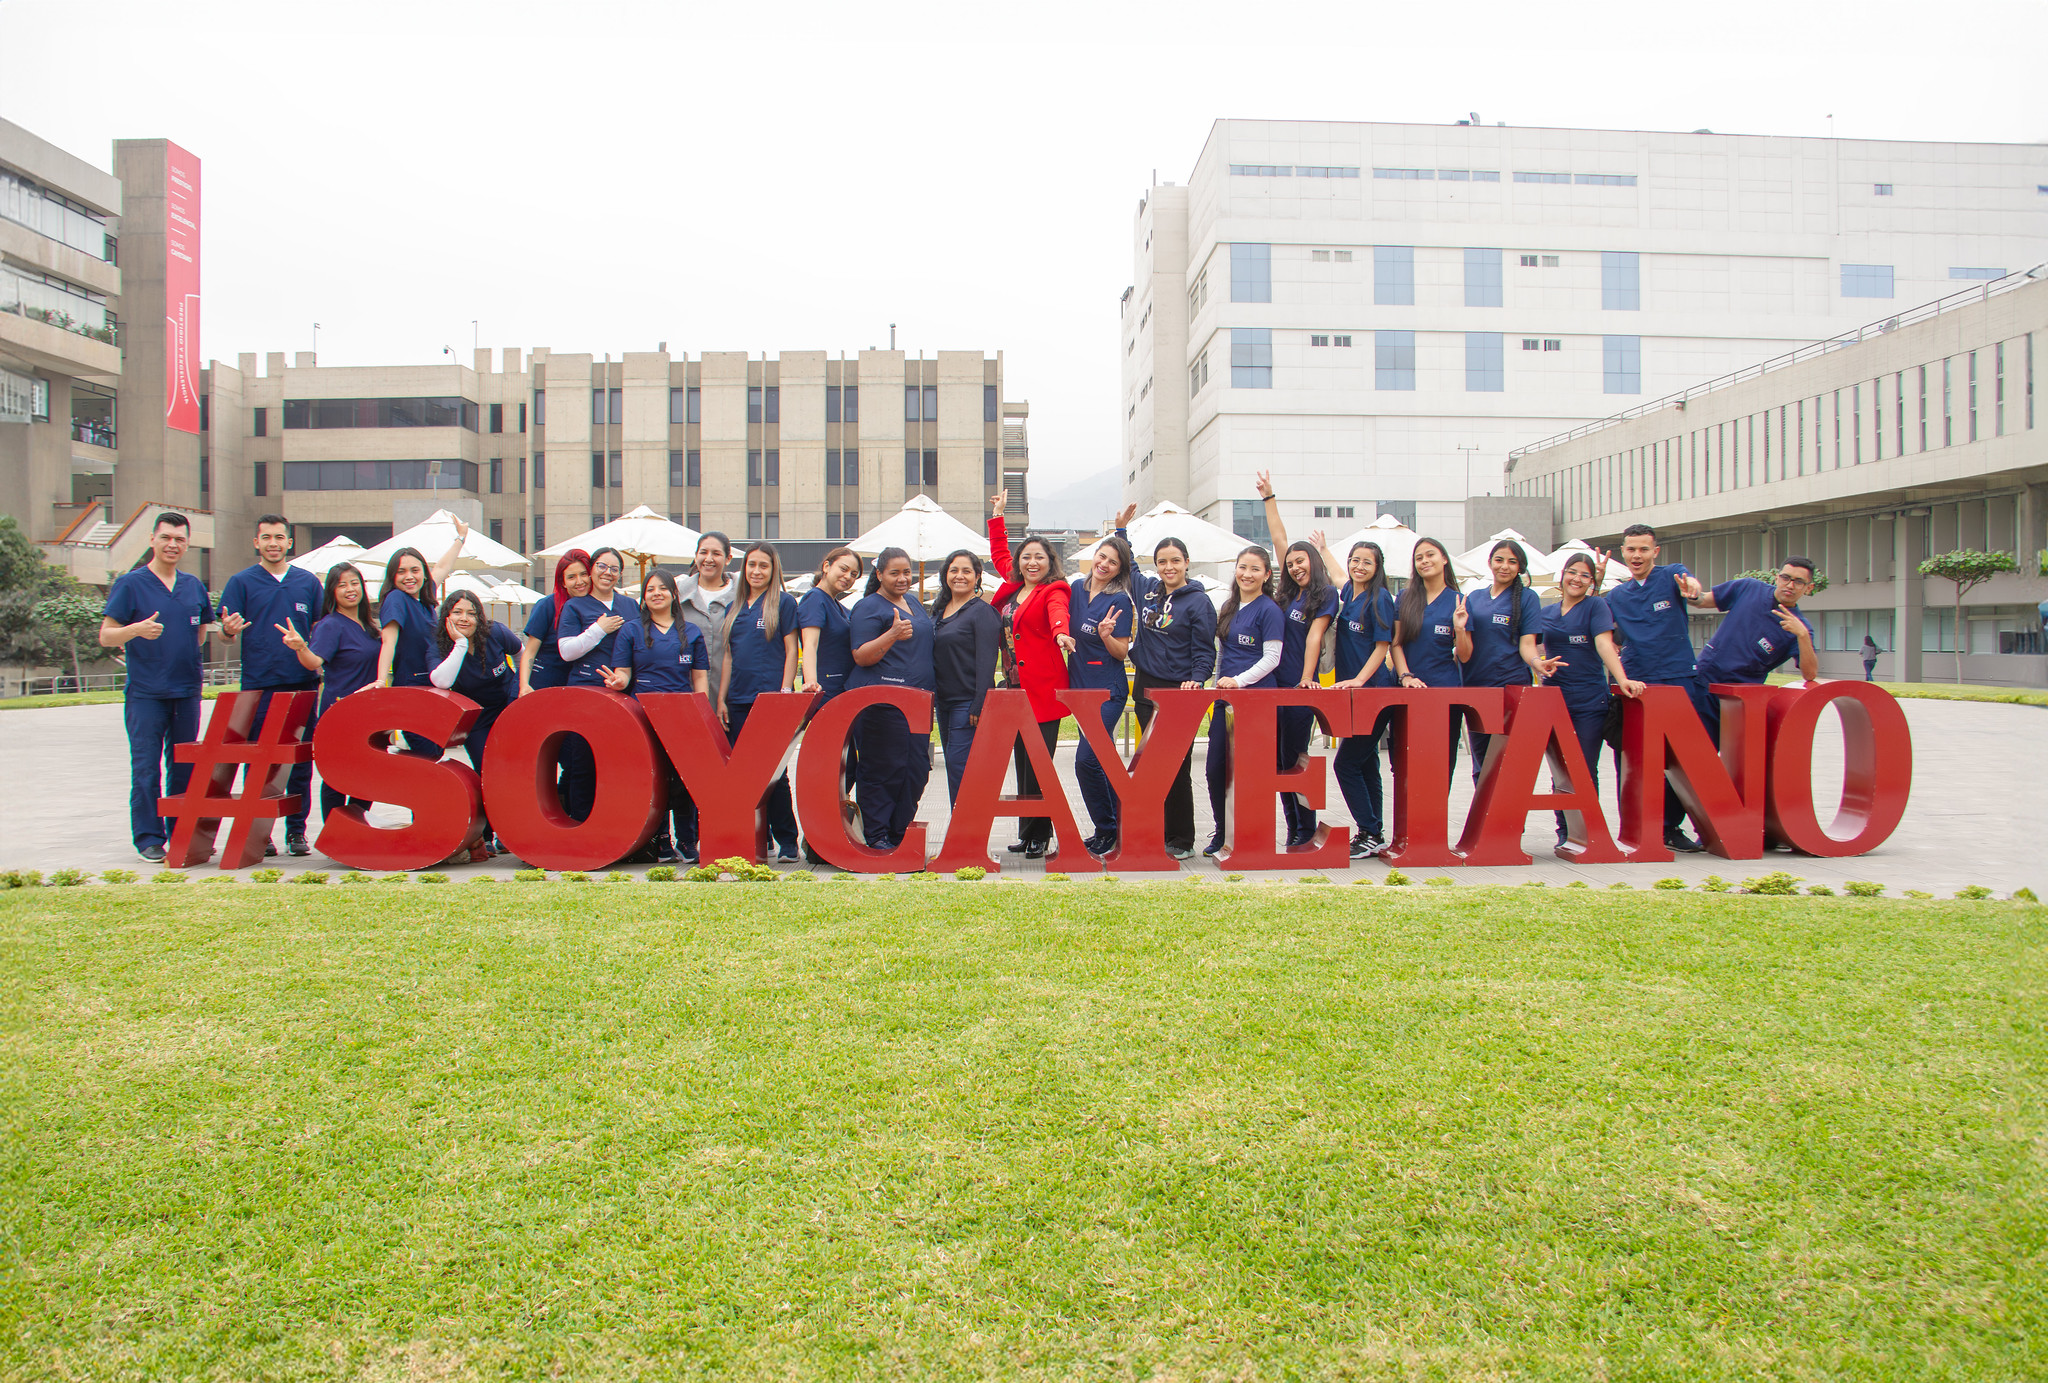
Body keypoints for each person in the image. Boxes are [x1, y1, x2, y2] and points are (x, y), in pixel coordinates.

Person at [99, 513, 216, 862]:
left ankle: (181, 833)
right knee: (147, 767)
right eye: (166, 537)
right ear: (152, 540)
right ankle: (149, 838)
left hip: (186, 691)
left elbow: (201, 630)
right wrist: (135, 630)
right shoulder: (131, 584)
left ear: (187, 544)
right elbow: (106, 635)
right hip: (146, 694)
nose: (172, 545)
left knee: (183, 767)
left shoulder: (193, 585)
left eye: (179, 539)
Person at [215, 514, 326, 855]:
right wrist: (228, 631)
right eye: (266, 537)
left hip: (303, 685)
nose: (273, 543)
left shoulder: (308, 583)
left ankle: (297, 832)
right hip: (259, 687)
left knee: (299, 762)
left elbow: (322, 630)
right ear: (256, 542)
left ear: (290, 542)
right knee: (259, 762)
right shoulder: (241, 583)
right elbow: (224, 636)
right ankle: (260, 833)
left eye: (280, 537)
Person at [1598, 523, 1708, 852]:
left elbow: (1692, 585)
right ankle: (1635, 827)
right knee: (1631, 759)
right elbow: (1602, 632)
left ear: (1655, 552)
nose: (1637, 555)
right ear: (1623, 552)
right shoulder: (1616, 595)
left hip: (1677, 679)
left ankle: (1669, 827)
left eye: (1644, 549)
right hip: (1636, 685)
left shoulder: (1671, 576)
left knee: (1678, 759)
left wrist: (1694, 590)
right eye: (1631, 549)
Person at [988, 488, 1074, 859]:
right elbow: (998, 554)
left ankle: (1042, 835)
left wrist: (1060, 633)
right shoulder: (1011, 589)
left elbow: (1058, 612)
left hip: (1042, 691)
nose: (1032, 562)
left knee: (1041, 766)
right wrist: (998, 517)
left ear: (1048, 561)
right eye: (1026, 557)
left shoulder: (1054, 588)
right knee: (1022, 763)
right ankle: (1027, 832)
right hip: (1013, 690)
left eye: (1039, 557)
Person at [1254, 476, 1340, 847]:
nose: (1293, 566)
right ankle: (1294, 828)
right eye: (1289, 563)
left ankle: (1305, 828)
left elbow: (1315, 638)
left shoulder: (1324, 595)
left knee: (1295, 761)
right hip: (1273, 687)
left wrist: (1305, 680)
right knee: (1277, 763)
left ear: (1314, 561)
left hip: (1296, 689)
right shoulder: (1287, 593)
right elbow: (1278, 540)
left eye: (1300, 560)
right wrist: (1268, 499)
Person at [601, 569, 709, 862]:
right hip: (644, 715)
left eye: (663, 588)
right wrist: (619, 683)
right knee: (655, 778)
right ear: (644, 597)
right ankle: (661, 839)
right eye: (650, 589)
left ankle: (688, 840)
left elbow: (699, 679)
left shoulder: (692, 632)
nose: (656, 593)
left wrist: (702, 713)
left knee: (686, 778)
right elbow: (623, 673)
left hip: (683, 716)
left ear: (674, 595)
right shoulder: (632, 631)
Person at [1536, 553, 1643, 846]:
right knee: (1560, 768)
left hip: (1589, 702)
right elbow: (1526, 646)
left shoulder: (1596, 606)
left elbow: (1604, 644)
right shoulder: (1547, 613)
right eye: (1572, 572)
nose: (1577, 579)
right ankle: (1563, 830)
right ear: (1562, 575)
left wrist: (1621, 679)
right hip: (1554, 702)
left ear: (1592, 582)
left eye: (1585, 575)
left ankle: (1585, 830)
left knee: (1583, 767)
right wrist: (1536, 663)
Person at [1125, 535, 1216, 860]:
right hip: (1146, 689)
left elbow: (1205, 651)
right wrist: (1122, 532)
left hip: (1179, 693)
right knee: (1150, 764)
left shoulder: (1198, 602)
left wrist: (1196, 679)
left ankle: (1180, 839)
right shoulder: (1148, 590)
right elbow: (1130, 566)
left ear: (1186, 563)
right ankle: (1155, 832)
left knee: (1176, 766)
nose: (1168, 567)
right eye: (1162, 561)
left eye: (1175, 560)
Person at [278, 561, 381, 828]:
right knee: (338, 775)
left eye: (354, 583)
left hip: (369, 713)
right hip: (340, 712)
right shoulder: (330, 625)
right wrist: (300, 647)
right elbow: (314, 662)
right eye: (342, 585)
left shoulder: (370, 627)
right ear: (332, 592)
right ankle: (336, 830)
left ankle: (354, 826)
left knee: (369, 774)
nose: (350, 589)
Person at [717, 542, 801, 862]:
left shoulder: (783, 603)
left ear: (773, 569)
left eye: (763, 566)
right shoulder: (733, 608)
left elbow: (792, 649)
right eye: (751, 565)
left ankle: (788, 840)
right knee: (745, 775)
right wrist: (722, 698)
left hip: (770, 701)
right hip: (737, 700)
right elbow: (727, 657)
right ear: (744, 569)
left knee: (775, 775)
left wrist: (784, 691)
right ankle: (759, 837)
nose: (756, 571)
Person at [847, 548, 936, 852]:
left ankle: (898, 831)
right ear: (880, 575)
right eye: (895, 573)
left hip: (918, 703)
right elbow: (861, 656)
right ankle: (876, 834)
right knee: (883, 768)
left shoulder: (912, 602)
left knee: (917, 768)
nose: (902, 578)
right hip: (883, 704)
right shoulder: (868, 607)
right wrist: (892, 634)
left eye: (907, 572)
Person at [427, 589, 522, 858]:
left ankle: (511, 831)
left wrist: (518, 688)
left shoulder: (496, 632)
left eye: (471, 612)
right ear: (446, 616)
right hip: (477, 718)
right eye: (457, 612)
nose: (465, 618)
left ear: (480, 617)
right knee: (485, 770)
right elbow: (441, 681)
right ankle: (489, 834)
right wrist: (458, 644)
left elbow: (523, 654)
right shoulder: (439, 644)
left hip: (507, 709)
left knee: (512, 770)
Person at [1204, 545, 1284, 857]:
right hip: (1225, 703)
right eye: (1242, 567)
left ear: (1266, 575)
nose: (1247, 574)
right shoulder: (1230, 606)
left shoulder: (1269, 610)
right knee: (1215, 769)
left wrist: (1240, 681)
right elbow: (1223, 654)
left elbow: (1273, 658)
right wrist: (1217, 688)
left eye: (1254, 569)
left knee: (1249, 774)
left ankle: (1250, 835)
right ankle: (1223, 830)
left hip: (1256, 702)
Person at [1684, 558, 1821, 740]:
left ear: (1808, 588)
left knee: (1709, 751)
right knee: (1678, 745)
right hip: (1703, 681)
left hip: (1739, 700)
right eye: (1786, 577)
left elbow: (1810, 674)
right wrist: (1692, 594)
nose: (1790, 585)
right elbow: (1702, 601)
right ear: (1777, 577)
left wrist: (1802, 636)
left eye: (1798, 581)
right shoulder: (1749, 588)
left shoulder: (1800, 628)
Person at [554, 545, 641, 821]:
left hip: (624, 694)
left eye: (615, 569)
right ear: (591, 570)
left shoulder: (629, 605)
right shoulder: (575, 606)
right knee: (583, 761)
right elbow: (566, 651)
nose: (608, 573)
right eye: (602, 566)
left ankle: (617, 820)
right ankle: (581, 821)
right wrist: (599, 629)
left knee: (619, 762)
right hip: (586, 694)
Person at [1323, 537, 1396, 858]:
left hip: (1375, 694)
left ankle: (1368, 829)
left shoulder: (1381, 599)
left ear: (1378, 568)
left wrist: (1359, 680)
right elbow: (1339, 577)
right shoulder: (1350, 591)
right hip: (1354, 695)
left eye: (1367, 562)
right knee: (1367, 763)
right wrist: (1324, 550)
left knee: (1346, 763)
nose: (1358, 566)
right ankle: (1373, 832)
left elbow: (1383, 646)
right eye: (1354, 560)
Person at [1066, 534, 1137, 856]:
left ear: (1120, 569)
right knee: (1104, 762)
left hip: (1108, 691)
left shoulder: (1118, 600)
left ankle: (1107, 827)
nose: (1104, 565)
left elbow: (1121, 653)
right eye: (1102, 557)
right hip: (1079, 690)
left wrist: (1107, 636)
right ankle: (1119, 826)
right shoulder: (1074, 591)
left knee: (1087, 761)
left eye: (1113, 562)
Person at [670, 532, 738, 859]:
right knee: (689, 770)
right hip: (685, 693)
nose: (708, 559)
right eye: (702, 552)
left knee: (731, 769)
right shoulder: (676, 593)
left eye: (716, 553)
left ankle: (729, 836)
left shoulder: (744, 593)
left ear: (728, 558)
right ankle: (687, 839)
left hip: (730, 692)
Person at [1460, 539, 1546, 786]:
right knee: (1481, 762)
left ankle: (1510, 824)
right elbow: (1464, 645)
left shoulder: (1528, 599)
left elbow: (1527, 644)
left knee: (1508, 760)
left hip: (1510, 688)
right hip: (1476, 689)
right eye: (1499, 560)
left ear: (1520, 567)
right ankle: (1484, 821)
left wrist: (1537, 663)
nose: (1504, 566)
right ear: (1489, 563)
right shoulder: (1474, 598)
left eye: (1512, 561)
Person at [798, 547, 864, 864]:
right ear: (826, 566)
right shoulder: (814, 599)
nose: (848, 577)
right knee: (829, 770)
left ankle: (825, 834)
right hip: (827, 694)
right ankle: (816, 839)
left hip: (843, 696)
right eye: (844, 569)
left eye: (854, 574)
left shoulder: (838, 605)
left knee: (843, 768)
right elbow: (808, 644)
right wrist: (811, 684)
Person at [1389, 537, 1472, 775]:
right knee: (1402, 764)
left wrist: (1459, 629)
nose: (1425, 561)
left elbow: (1465, 656)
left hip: (1444, 692)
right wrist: (1405, 676)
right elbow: (1396, 643)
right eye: (1419, 558)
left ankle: (1435, 813)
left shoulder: (1458, 601)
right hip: (1407, 691)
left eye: (1430, 555)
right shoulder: (1405, 598)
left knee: (1441, 764)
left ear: (1444, 559)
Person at [929, 549, 1001, 804]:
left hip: (968, 703)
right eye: (954, 570)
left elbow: (987, 660)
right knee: (953, 766)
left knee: (961, 768)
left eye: (966, 571)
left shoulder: (983, 613)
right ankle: (960, 831)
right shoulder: (939, 611)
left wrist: (979, 702)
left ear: (978, 577)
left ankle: (967, 835)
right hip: (944, 702)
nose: (960, 576)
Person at [519, 550, 591, 694]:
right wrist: (524, 685)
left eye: (583, 574)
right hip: (538, 684)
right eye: (572, 577)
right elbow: (530, 651)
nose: (579, 581)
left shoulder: (594, 607)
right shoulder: (547, 605)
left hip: (571, 686)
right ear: (563, 582)